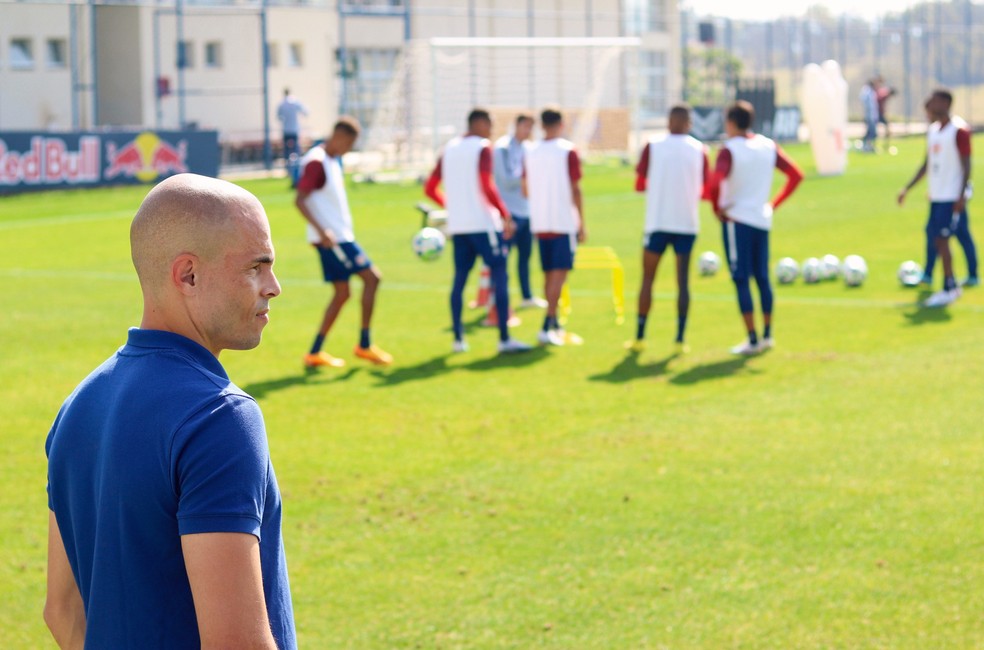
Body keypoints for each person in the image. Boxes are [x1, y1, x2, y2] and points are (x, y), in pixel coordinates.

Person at [44, 173, 295, 649]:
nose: (274, 286)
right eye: (256, 267)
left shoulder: (78, 405)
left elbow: (62, 612)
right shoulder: (218, 417)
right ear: (188, 275)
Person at [424, 108, 532, 354]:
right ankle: (504, 339)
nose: (492, 131)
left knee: (459, 280)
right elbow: (486, 184)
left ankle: (458, 340)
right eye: (490, 125)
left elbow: (430, 187)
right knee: (499, 275)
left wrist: (453, 207)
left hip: (459, 226)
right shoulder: (483, 147)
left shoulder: (449, 148)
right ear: (480, 123)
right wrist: (505, 214)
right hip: (484, 225)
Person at [706, 101, 804, 355]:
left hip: (737, 221)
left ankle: (752, 339)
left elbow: (716, 183)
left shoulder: (728, 150)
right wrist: (773, 204)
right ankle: (767, 335)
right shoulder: (767, 145)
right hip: (762, 219)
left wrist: (717, 209)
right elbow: (796, 175)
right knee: (762, 278)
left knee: (741, 279)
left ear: (730, 122)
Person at [296, 116, 393, 367]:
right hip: (334, 240)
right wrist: (323, 232)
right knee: (372, 278)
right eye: (349, 144)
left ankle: (315, 352)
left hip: (338, 236)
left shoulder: (331, 159)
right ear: (339, 137)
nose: (349, 149)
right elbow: (300, 199)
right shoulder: (316, 162)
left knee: (342, 293)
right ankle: (364, 344)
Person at [628, 104, 709, 354]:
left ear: (668, 121)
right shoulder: (700, 150)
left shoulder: (653, 146)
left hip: (657, 223)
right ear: (689, 123)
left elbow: (639, 184)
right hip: (686, 223)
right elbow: (707, 189)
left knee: (648, 279)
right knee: (682, 283)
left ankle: (640, 336)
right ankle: (679, 339)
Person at [898, 89, 979, 306]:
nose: (929, 104)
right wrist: (908, 188)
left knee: (946, 239)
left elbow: (967, 165)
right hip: (937, 197)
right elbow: (927, 164)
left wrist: (961, 195)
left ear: (944, 102)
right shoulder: (933, 131)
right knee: (937, 236)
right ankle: (942, 279)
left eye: (933, 101)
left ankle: (950, 287)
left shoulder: (959, 130)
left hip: (952, 196)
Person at [524, 106, 586, 347]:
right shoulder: (567, 151)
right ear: (561, 124)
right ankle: (546, 324)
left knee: (549, 273)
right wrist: (581, 221)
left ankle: (555, 323)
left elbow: (524, 187)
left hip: (540, 221)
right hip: (562, 221)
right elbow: (576, 189)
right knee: (558, 276)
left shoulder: (531, 151)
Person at [494, 113, 546, 308]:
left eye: (531, 128)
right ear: (515, 125)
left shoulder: (529, 148)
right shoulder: (502, 148)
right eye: (525, 126)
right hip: (508, 213)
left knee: (525, 258)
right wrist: (528, 178)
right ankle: (498, 300)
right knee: (502, 260)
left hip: (526, 211)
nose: (528, 131)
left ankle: (527, 296)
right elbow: (505, 181)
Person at [277, 88, 308, 187]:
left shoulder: (282, 104)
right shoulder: (295, 102)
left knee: (287, 151)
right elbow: (306, 111)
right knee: (295, 151)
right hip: (294, 130)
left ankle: (288, 170)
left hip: (286, 130)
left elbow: (279, 116)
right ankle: (296, 170)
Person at [875, 75, 897, 151]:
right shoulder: (884, 94)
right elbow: (878, 102)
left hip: (878, 113)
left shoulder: (883, 92)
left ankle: (885, 145)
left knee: (885, 128)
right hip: (877, 114)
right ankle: (884, 146)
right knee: (874, 130)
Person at [860, 78, 880, 153]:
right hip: (870, 116)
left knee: (870, 133)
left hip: (873, 115)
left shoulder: (871, 92)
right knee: (871, 133)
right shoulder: (867, 92)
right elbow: (866, 103)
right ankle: (867, 146)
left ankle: (868, 146)